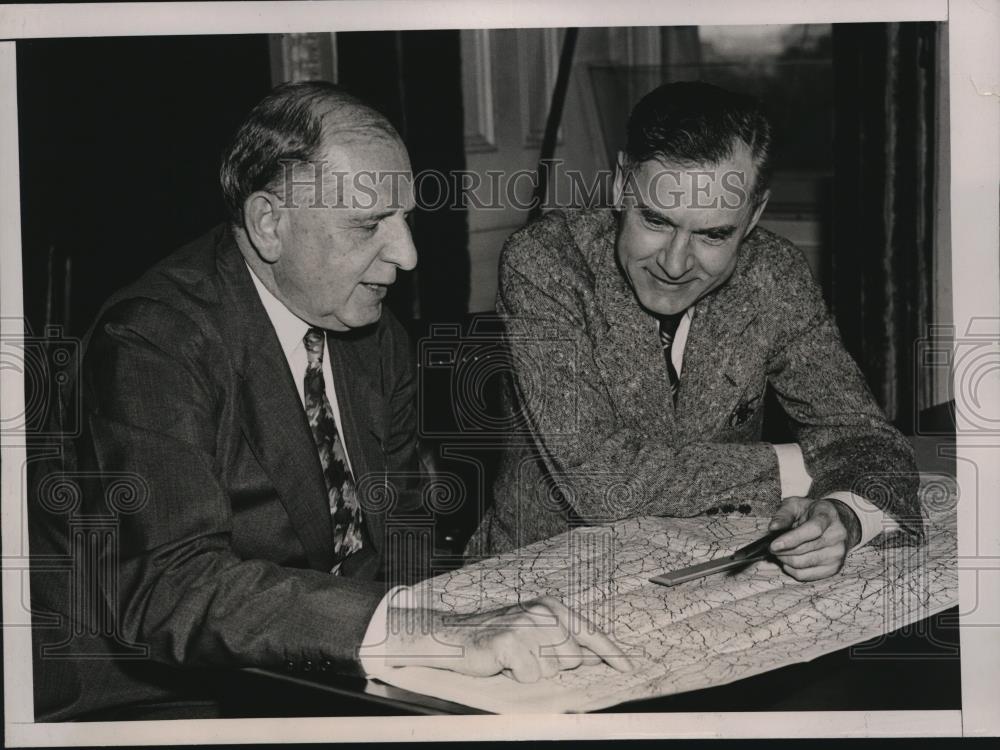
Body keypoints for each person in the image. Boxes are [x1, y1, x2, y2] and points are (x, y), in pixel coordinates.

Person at [28, 81, 630, 722]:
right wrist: (429, 632)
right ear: (268, 225)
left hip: (316, 659)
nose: (406, 254)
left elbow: (402, 532)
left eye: (405, 217)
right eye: (368, 224)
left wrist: (471, 619)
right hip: (153, 689)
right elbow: (174, 586)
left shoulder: (374, 333)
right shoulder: (153, 340)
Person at [468, 81, 925, 579]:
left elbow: (863, 436)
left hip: (711, 569)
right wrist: (798, 468)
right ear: (623, 184)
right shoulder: (547, 262)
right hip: (539, 579)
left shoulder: (774, 275)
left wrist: (844, 515)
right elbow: (602, 480)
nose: (674, 262)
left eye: (712, 234)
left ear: (753, 216)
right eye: (656, 220)